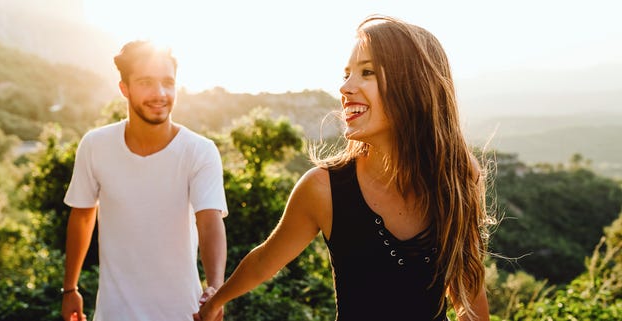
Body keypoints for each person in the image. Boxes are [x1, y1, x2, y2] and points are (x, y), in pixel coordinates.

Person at [196, 14, 492, 321]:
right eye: (346, 74)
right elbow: (265, 261)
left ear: (413, 85)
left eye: (367, 72)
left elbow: (468, 284)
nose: (346, 88)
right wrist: (216, 301)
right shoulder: (323, 189)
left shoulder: (457, 174)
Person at [60, 40, 228, 321]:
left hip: (183, 314)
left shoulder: (200, 151)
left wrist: (215, 289)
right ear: (124, 88)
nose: (159, 93)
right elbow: (83, 215)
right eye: (146, 82)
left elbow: (209, 220)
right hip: (113, 313)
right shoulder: (95, 145)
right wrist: (69, 289)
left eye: (167, 82)